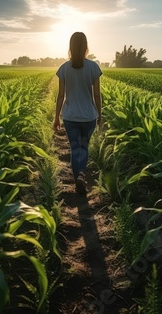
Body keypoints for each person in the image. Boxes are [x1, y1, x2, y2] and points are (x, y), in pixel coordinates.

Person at [53, 32, 102, 194]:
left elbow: (61, 95)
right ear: (86, 47)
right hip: (89, 116)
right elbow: (96, 95)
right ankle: (81, 174)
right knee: (84, 146)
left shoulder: (64, 68)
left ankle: (78, 177)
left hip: (70, 116)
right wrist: (99, 115)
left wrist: (56, 118)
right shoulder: (94, 67)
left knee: (75, 148)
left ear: (71, 47)